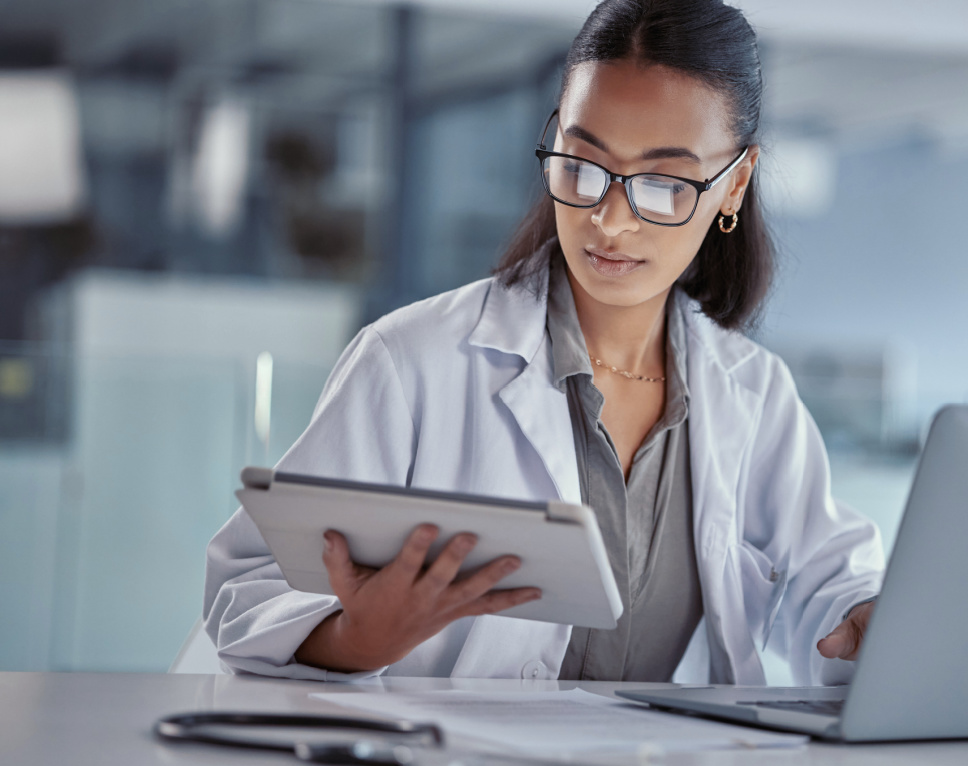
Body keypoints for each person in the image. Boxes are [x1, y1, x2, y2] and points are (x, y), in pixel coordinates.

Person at [204, 0, 882, 686]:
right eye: (583, 163)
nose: (610, 220)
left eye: (665, 183)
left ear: (733, 183)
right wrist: (356, 638)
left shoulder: (754, 394)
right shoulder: (411, 362)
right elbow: (249, 589)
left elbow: (826, 581)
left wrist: (865, 613)